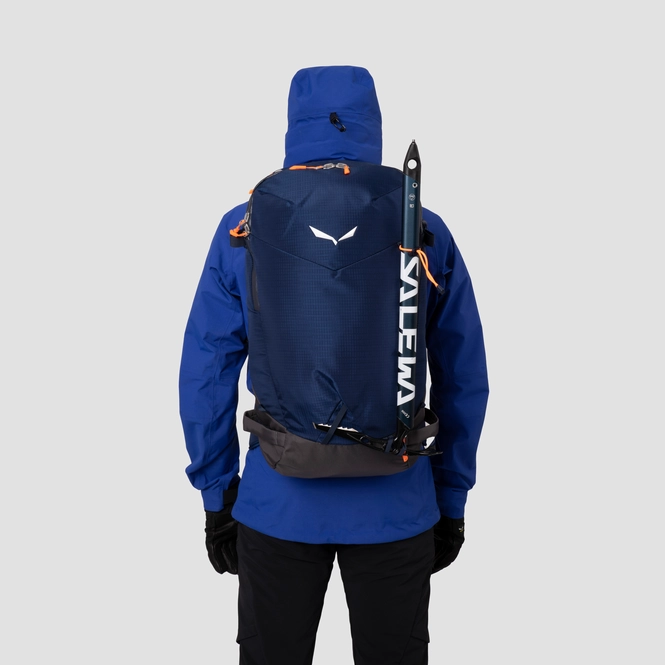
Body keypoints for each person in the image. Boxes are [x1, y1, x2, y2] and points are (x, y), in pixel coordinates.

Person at [179, 65, 489, 665]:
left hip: (276, 503)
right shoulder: (422, 228)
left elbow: (206, 372)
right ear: (373, 124)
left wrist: (217, 497)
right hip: (398, 506)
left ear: (292, 126)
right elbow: (463, 374)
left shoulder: (243, 227)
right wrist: (451, 498)